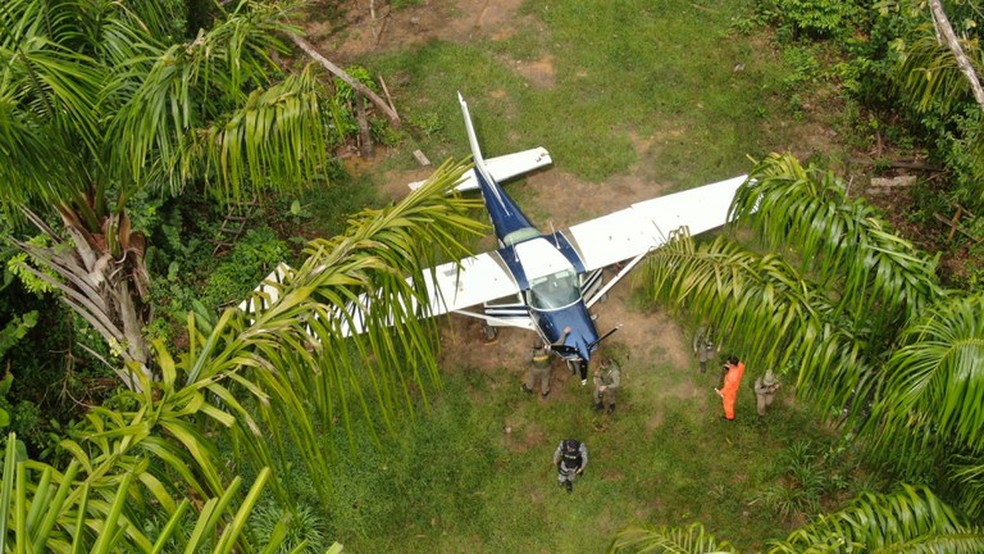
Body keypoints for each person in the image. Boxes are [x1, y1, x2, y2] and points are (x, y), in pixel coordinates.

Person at [714, 356, 745, 421]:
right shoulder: (740, 365)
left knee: (728, 404)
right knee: (728, 402)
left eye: (729, 363)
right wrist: (730, 368)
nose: (727, 364)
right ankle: (730, 416)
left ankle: (730, 417)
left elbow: (727, 387)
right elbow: (737, 368)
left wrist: (720, 392)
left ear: (733, 365)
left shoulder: (732, 377)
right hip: (734, 385)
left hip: (730, 391)